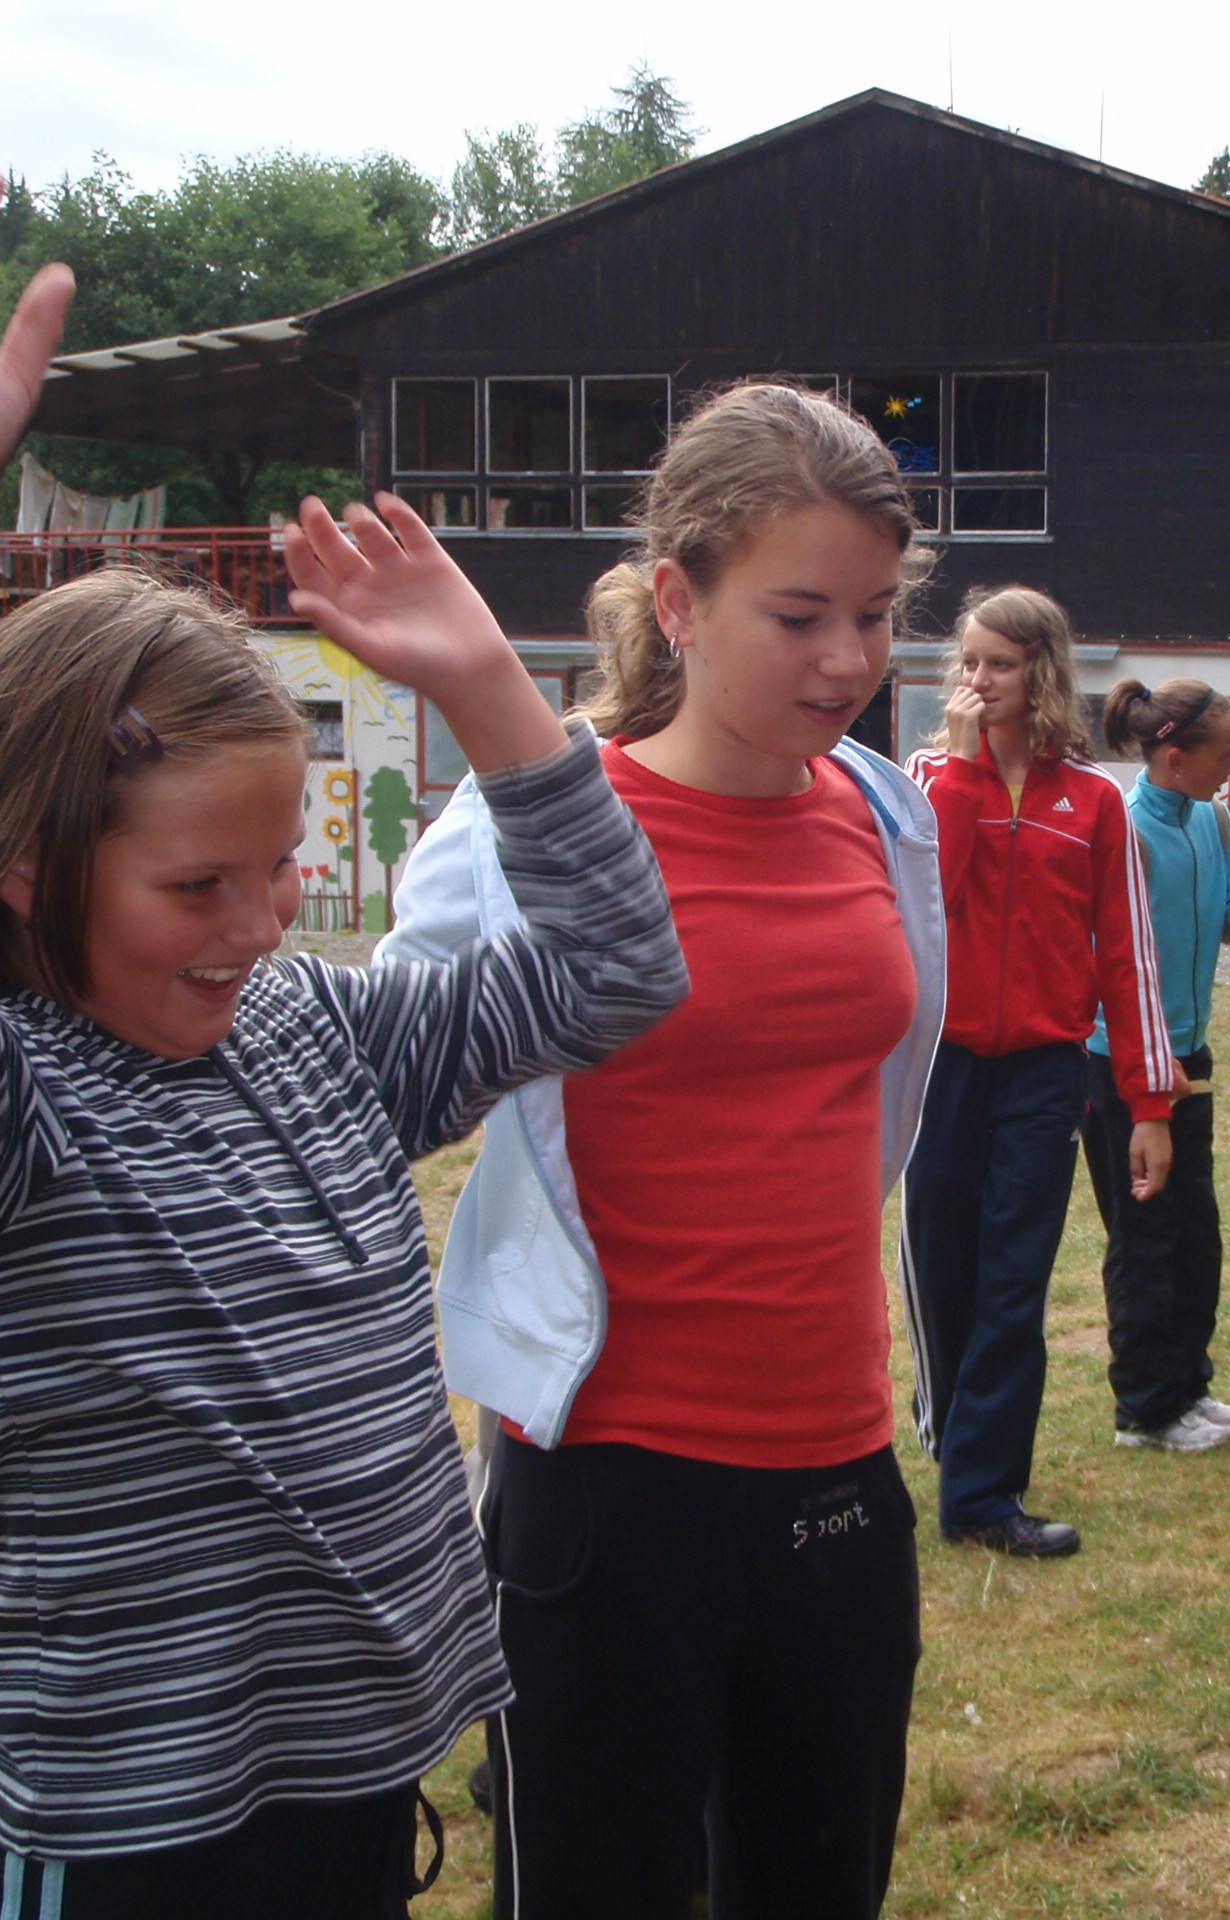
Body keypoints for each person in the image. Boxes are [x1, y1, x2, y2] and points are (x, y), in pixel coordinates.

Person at [0, 171, 687, 1919]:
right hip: (112, 1846)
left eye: (281, 870)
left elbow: (615, 973)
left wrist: (494, 692)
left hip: (349, 1800)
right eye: (195, 886)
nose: (257, 925)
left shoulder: (314, 1031)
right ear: (28, 866)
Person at [382, 379, 945, 1920]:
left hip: (839, 1466)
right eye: (802, 616)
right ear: (680, 603)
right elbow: (381, 1078)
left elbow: (876, 1097)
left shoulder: (888, 817)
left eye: (877, 616)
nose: (850, 661)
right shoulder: (528, 825)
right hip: (606, 1480)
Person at [903, 588, 1179, 1559]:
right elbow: (923, 908)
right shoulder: (927, 778)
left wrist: (1150, 1103)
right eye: (970, 661)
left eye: (1000, 664)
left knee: (1014, 1282)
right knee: (944, 1270)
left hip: (1045, 1073)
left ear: (1042, 672)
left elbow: (1128, 958)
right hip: (940, 1067)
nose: (978, 679)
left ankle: (984, 1495)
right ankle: (949, 1429)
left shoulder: (1095, 802)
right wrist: (963, 775)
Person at [1079, 677, 1230, 1453]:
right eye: (1222, 756)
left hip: (1191, 1054)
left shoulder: (1213, 821)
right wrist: (1139, 1063)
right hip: (1121, 1061)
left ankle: (1189, 1386)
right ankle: (1146, 1409)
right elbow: (1104, 958)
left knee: (1196, 1233)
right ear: (1175, 758)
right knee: (1144, 1236)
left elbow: (1226, 926)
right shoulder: (1122, 829)